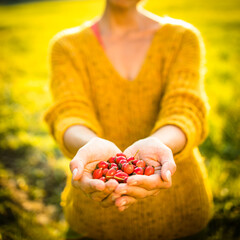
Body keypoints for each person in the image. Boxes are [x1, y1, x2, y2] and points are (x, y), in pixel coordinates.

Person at [44, 0, 213, 239]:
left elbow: (185, 108)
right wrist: (88, 145)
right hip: (95, 219)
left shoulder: (182, 37)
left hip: (181, 209)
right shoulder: (67, 46)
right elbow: (69, 112)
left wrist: (160, 145)